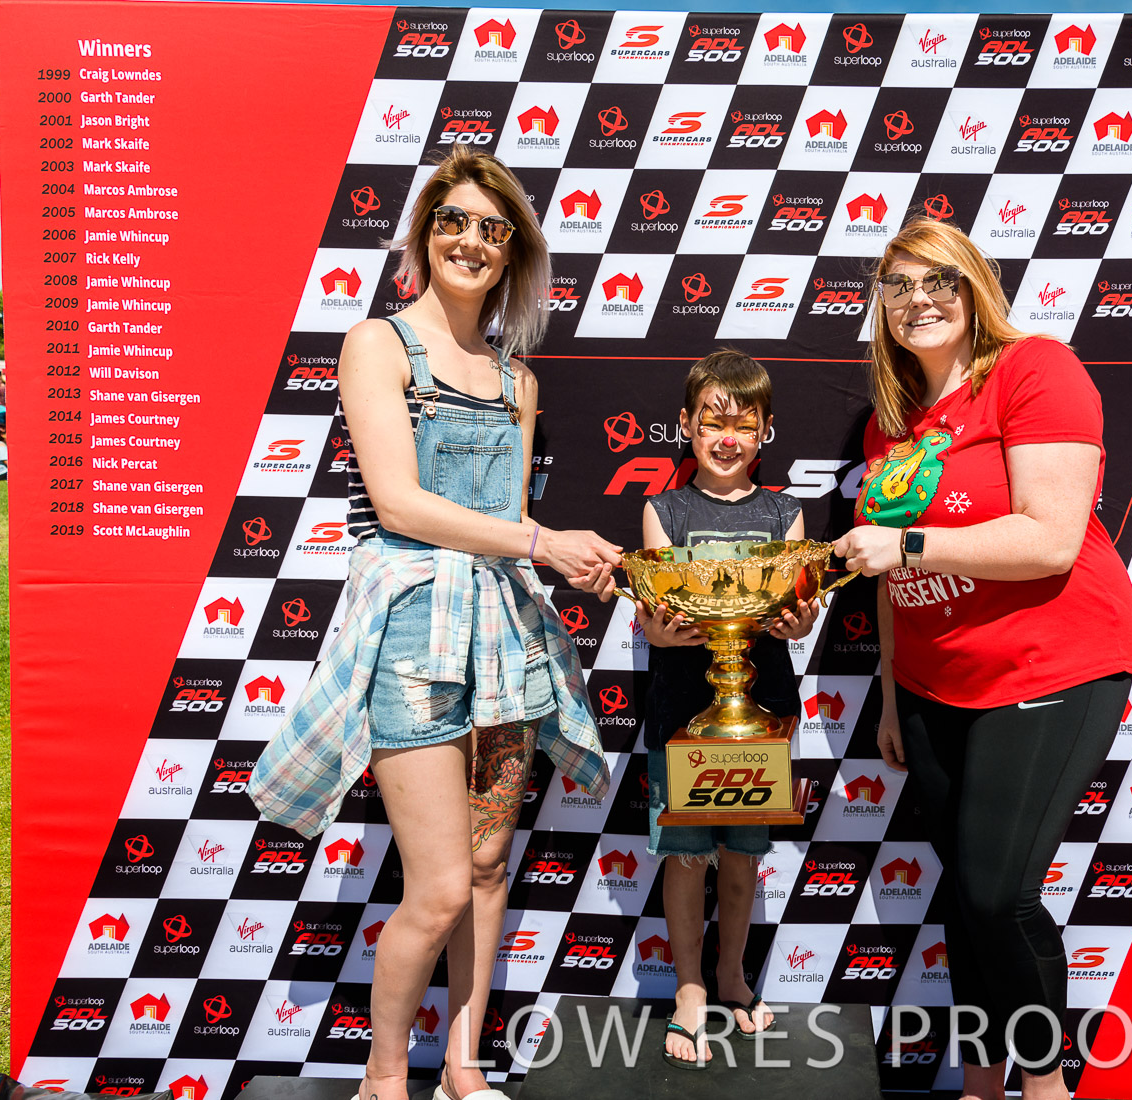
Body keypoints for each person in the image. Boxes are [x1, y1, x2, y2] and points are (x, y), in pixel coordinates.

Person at [249, 147, 621, 1100]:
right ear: (424, 235)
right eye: (452, 221)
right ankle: (382, 1079)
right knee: (443, 885)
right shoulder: (378, 345)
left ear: (513, 253)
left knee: (490, 866)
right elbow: (401, 505)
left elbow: (502, 526)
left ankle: (462, 1066)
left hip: (503, 634)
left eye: (494, 230)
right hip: (414, 635)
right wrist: (543, 540)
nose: (472, 241)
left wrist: (571, 563)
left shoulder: (516, 379)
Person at [831, 218, 1132, 1100]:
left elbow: (1049, 539)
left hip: (1048, 665)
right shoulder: (892, 425)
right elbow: (891, 579)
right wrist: (894, 696)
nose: (918, 299)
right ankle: (980, 1086)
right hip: (933, 685)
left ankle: (1046, 1089)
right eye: (897, 285)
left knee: (999, 895)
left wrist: (908, 544)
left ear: (975, 290)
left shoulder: (1035, 369)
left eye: (940, 281)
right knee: (966, 898)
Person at [606, 350, 817, 1067]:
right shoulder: (663, 509)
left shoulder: (785, 512)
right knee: (686, 856)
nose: (727, 439)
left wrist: (798, 623)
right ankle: (690, 987)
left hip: (763, 707)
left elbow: (793, 609)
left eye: (743, 425)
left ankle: (732, 974)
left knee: (743, 852)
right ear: (686, 426)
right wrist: (659, 631)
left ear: (765, 432)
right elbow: (659, 610)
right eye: (712, 423)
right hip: (682, 709)